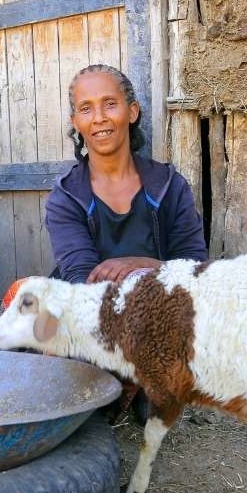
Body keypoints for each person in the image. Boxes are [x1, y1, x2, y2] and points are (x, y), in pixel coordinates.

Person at [44, 64, 208, 419]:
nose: (99, 118)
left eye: (110, 104)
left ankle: (136, 380)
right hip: (92, 316)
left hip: (158, 313)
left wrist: (142, 264)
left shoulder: (168, 186)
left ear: (131, 112)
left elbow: (197, 272)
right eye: (86, 108)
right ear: (76, 121)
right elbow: (81, 281)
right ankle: (118, 382)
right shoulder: (66, 198)